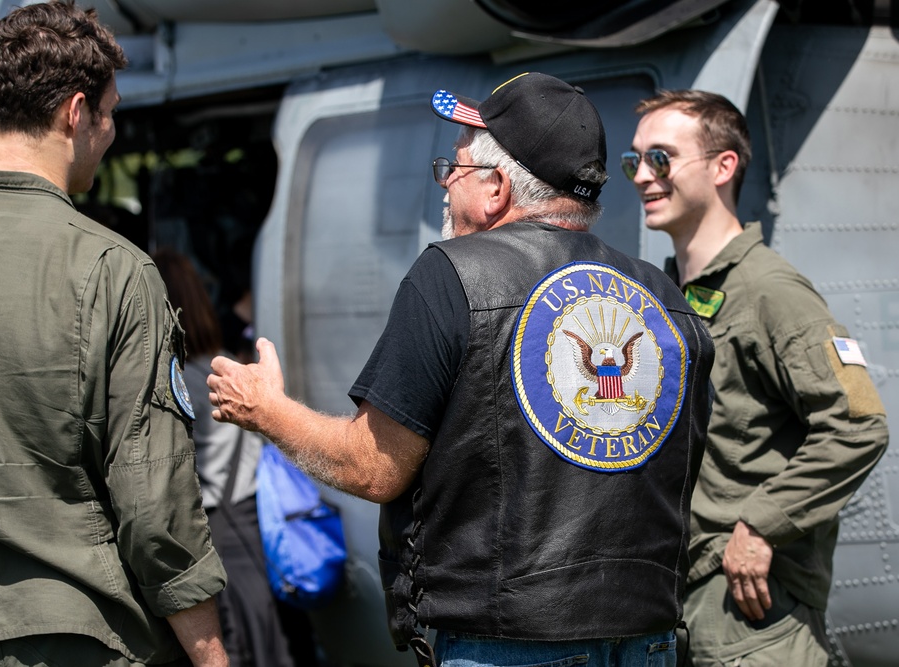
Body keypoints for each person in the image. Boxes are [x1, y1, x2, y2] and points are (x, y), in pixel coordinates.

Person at [208, 72, 715, 667]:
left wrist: (267, 411)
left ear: (496, 189)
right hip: (646, 637)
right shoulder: (669, 301)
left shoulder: (451, 275)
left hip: (504, 640)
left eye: (455, 170)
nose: (446, 186)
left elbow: (372, 468)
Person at [0, 3, 228, 666]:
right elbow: (155, 507)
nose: (109, 134)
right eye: (110, 114)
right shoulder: (114, 270)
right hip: (78, 638)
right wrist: (213, 656)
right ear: (77, 113)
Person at [624, 89, 889, 666]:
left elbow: (859, 424)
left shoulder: (771, 292)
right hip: (685, 605)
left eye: (661, 158)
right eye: (635, 161)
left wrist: (760, 526)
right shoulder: (676, 298)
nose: (643, 175)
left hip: (753, 616)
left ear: (724, 166)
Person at [152, 248, 298, 667]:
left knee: (235, 641)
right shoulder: (229, 369)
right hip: (252, 519)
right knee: (267, 635)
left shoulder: (173, 384)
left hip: (216, 527)